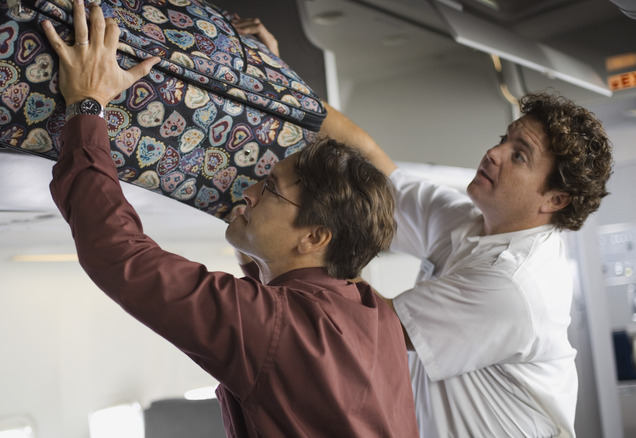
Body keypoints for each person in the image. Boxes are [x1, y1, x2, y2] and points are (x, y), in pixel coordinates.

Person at [42, 2, 419, 437]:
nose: (249, 191)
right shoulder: (373, 314)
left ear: (315, 236)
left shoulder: (276, 325)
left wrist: (87, 105)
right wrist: (269, 75)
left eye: (270, 189)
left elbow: (118, 254)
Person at [320, 80, 614, 436]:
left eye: (519, 155)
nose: (494, 152)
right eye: (505, 139)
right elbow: (376, 166)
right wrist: (278, 83)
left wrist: (295, 237)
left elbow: (371, 323)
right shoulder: (470, 221)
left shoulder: (512, 282)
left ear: (555, 200)